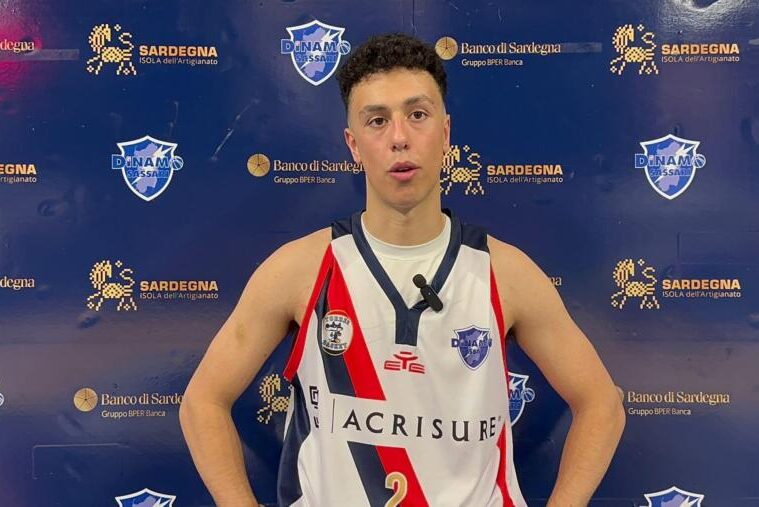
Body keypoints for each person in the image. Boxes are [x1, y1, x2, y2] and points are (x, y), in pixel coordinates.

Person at [180, 33, 625, 507]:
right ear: (353, 145)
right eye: (377, 120)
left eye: (417, 115)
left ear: (446, 133)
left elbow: (602, 404)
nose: (399, 138)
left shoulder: (505, 273)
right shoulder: (302, 269)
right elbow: (202, 402)